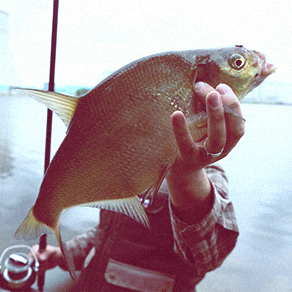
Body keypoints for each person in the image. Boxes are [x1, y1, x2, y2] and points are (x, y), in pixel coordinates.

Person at [32, 82, 244, 292]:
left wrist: (187, 177)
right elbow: (107, 232)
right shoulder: (125, 159)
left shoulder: (208, 172)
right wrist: (63, 254)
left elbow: (209, 257)